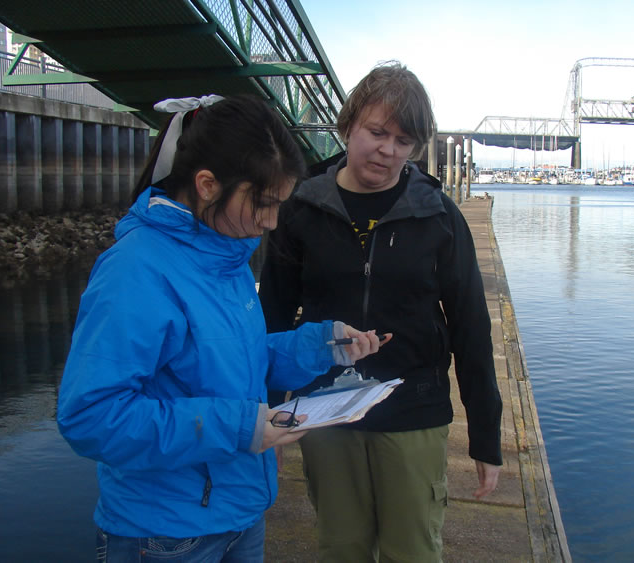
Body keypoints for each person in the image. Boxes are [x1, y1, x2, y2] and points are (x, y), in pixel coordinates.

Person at [56, 94, 386, 562]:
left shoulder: (226, 254)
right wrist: (241, 427)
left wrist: (323, 345)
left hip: (239, 512)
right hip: (165, 534)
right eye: (265, 204)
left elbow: (235, 360)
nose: (272, 222)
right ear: (208, 184)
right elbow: (90, 416)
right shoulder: (135, 270)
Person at [259, 61, 503, 562]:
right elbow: (273, 317)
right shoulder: (301, 208)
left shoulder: (439, 216)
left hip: (414, 409)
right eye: (376, 132)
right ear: (347, 126)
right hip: (323, 410)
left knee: (412, 550)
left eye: (403, 140)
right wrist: (267, 410)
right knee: (340, 547)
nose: (388, 150)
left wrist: (485, 435)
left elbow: (471, 326)